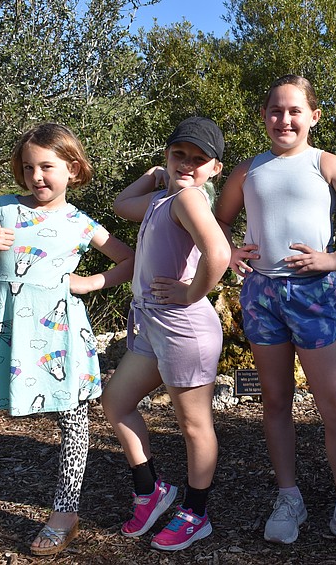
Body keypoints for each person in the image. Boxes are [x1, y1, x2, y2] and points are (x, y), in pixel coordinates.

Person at [215, 75, 336, 553]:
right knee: (275, 401)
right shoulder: (247, 171)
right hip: (261, 294)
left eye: (295, 111)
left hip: (315, 293)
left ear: (313, 116)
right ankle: (289, 498)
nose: (285, 119)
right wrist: (229, 251)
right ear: (264, 117)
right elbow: (218, 222)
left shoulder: (326, 164)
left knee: (335, 404)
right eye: (276, 110)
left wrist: (334, 258)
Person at [0, 123, 135, 557]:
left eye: (47, 167)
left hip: (58, 342)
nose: (37, 176)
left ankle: (65, 514)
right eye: (29, 167)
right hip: (5, 342)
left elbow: (129, 258)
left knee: (72, 423)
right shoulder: (4, 209)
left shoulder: (79, 224)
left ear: (72, 169)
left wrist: (91, 282)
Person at [102, 117, 231, 551]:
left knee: (194, 424)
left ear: (214, 168)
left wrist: (191, 292)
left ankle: (196, 512)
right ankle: (152, 490)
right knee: (116, 402)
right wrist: (156, 175)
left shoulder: (190, 199)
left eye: (199, 160)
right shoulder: (165, 197)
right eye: (179, 155)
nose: (187, 165)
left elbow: (219, 252)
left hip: (183, 328)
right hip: (153, 327)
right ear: (166, 155)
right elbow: (122, 204)